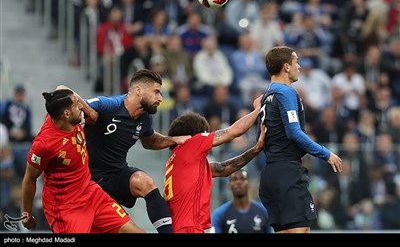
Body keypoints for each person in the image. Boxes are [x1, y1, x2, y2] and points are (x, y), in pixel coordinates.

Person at [59, 69, 190, 233]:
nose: (160, 98)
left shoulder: (145, 118)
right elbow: (68, 98)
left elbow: (150, 141)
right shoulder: (109, 105)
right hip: (88, 182)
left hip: (117, 175)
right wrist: (85, 114)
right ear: (138, 90)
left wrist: (174, 140)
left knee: (145, 182)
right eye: (156, 92)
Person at [21, 89, 145, 233]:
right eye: (76, 104)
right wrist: (27, 214)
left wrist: (91, 112)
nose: (81, 105)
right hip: (66, 208)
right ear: (66, 114)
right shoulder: (44, 144)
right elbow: (30, 178)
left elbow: (62, 89)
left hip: (90, 192)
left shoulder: (63, 112)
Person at [258, 46, 343, 233]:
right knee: (300, 230)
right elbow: (294, 133)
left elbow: (262, 137)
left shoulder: (266, 95)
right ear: (286, 67)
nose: (300, 66)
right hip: (287, 172)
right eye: (297, 62)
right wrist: (326, 154)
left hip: (270, 173)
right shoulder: (285, 92)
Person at [163, 95, 264, 233]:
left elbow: (224, 169)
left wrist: (256, 149)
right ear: (195, 133)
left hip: (180, 227)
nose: (208, 136)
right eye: (205, 132)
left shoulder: (179, 161)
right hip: (188, 228)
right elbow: (235, 131)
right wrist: (258, 108)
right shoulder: (191, 144)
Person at [211, 169, 272, 233]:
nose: (238, 182)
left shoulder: (264, 212)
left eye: (242, 179)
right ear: (229, 185)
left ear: (248, 183)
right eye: (234, 179)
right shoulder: (219, 215)